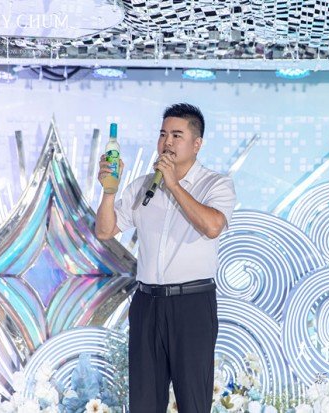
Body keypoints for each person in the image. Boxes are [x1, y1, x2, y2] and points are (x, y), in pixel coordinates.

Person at [95, 103, 236, 412]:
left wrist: (173, 184)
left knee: (193, 402)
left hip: (192, 305)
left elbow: (212, 226)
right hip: (147, 304)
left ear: (196, 144)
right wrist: (109, 190)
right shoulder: (144, 185)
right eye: (162, 134)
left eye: (176, 135)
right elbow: (105, 230)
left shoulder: (215, 184)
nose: (167, 142)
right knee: (144, 402)